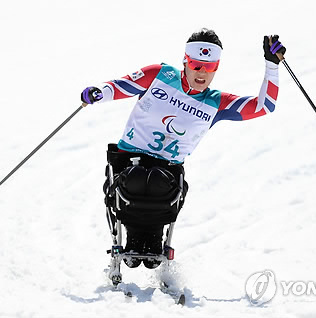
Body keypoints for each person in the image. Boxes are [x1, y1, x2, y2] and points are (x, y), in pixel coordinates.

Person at [81, 28, 286, 269]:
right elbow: (121, 85)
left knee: (157, 181)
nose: (202, 73)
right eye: (197, 65)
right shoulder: (160, 75)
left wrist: (272, 65)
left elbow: (264, 106)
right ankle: (135, 241)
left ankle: (151, 243)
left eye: (210, 68)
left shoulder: (216, 102)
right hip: (129, 161)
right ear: (186, 62)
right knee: (136, 178)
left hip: (166, 171)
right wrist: (98, 93)